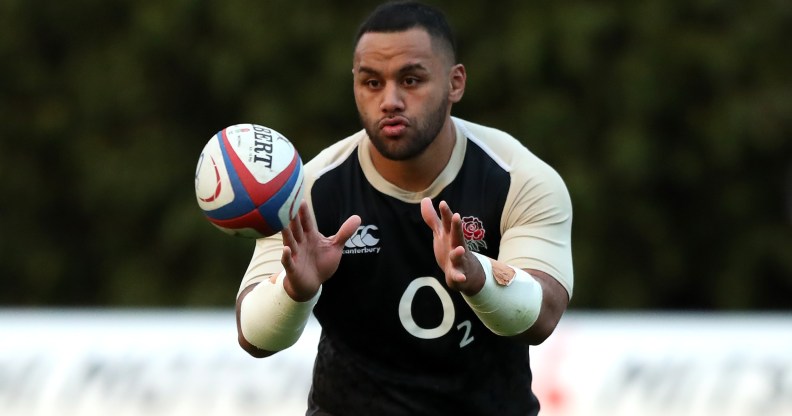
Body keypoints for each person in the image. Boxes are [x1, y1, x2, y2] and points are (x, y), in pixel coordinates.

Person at [235, 1, 573, 415]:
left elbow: (543, 317)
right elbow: (254, 337)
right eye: (371, 83)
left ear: (455, 83)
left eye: (411, 80)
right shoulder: (305, 191)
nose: (390, 100)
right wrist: (294, 291)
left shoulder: (518, 178)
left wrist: (477, 276)